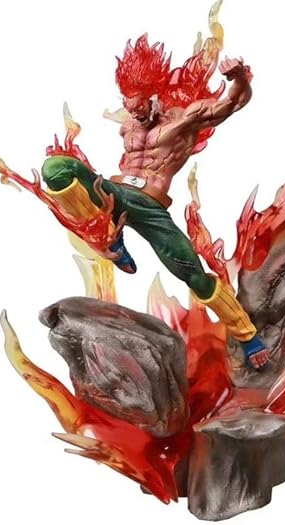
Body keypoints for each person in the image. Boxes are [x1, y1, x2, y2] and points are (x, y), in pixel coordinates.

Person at [42, 35, 269, 369]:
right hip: (115, 194)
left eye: (140, 107)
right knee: (57, 169)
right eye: (130, 107)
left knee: (194, 274)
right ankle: (108, 234)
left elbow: (232, 104)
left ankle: (247, 336)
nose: (135, 114)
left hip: (150, 206)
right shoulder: (128, 126)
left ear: (154, 97)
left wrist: (239, 78)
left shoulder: (183, 120)